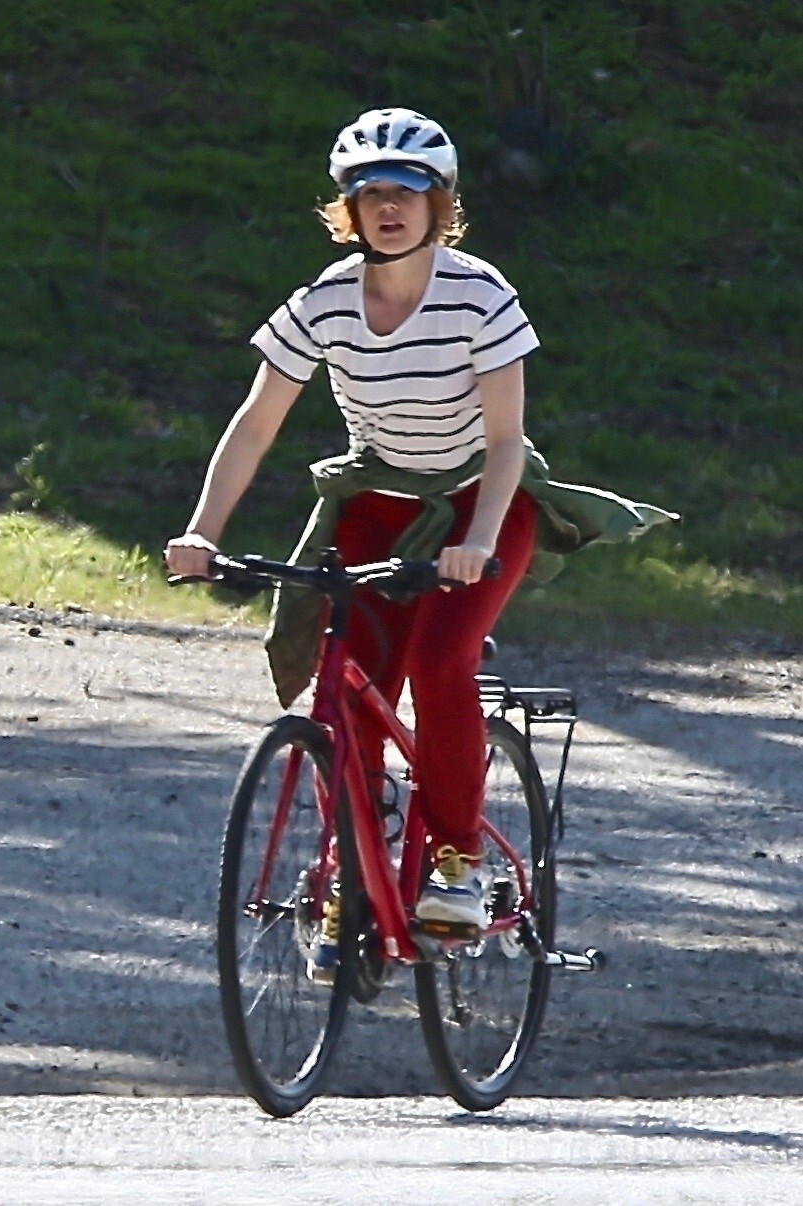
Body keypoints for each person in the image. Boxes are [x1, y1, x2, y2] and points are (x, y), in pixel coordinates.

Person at [167, 107, 562, 957]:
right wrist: (202, 531)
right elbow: (256, 423)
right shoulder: (324, 301)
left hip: (482, 500)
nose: (388, 207)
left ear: (437, 205)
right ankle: (353, 859)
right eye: (371, 192)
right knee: (346, 679)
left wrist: (477, 542)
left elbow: (505, 442)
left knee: (438, 662)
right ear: (347, 209)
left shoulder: (478, 294)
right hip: (378, 505)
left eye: (407, 192)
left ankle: (456, 860)